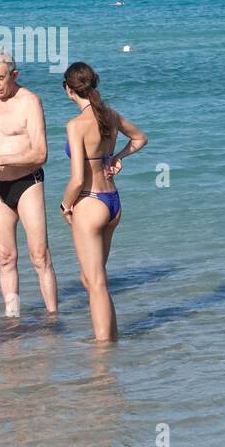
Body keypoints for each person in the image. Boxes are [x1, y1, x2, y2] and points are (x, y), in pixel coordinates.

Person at [0, 49, 58, 318]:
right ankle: (13, 316)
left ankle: (53, 317)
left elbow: (41, 154)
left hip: (27, 183)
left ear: (14, 75)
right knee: (5, 256)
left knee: (39, 256)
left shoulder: (30, 101)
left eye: (1, 78)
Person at [58, 62, 147, 342]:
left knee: (95, 283)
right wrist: (118, 156)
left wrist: (65, 206)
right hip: (112, 203)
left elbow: (75, 181)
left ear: (68, 90)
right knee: (94, 280)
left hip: (89, 201)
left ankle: (101, 354)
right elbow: (140, 138)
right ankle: (113, 338)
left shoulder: (76, 125)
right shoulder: (110, 115)